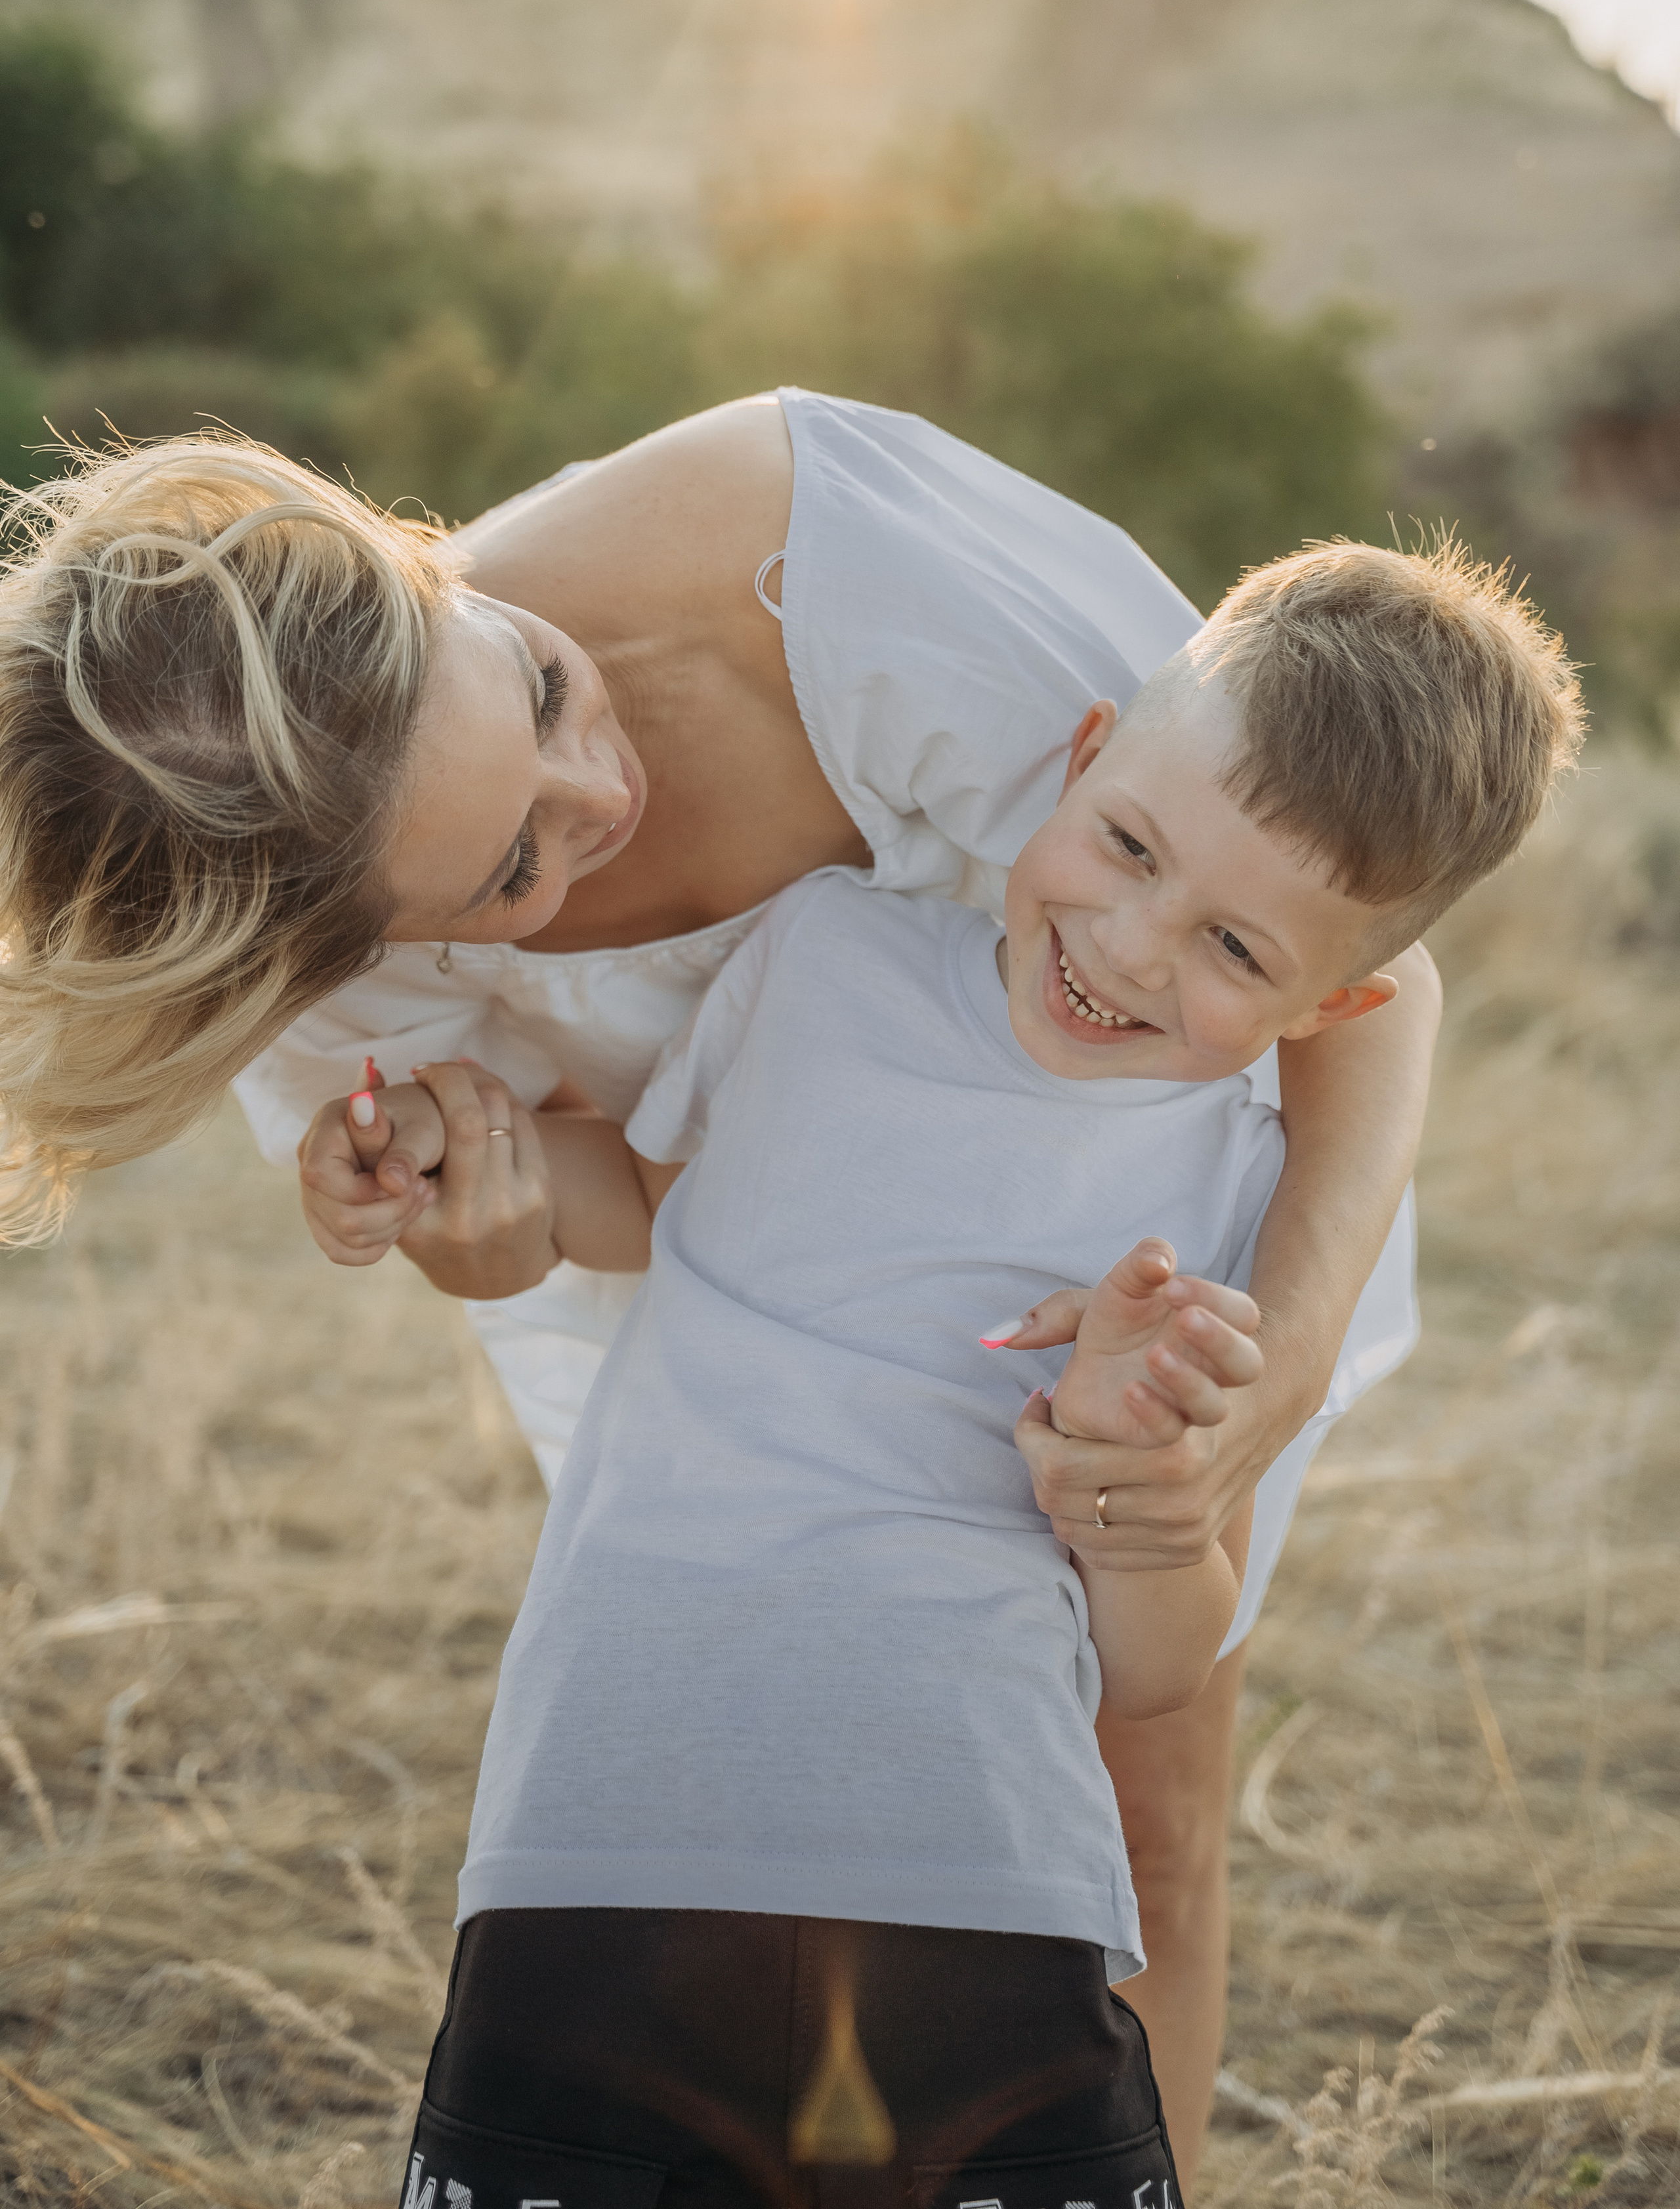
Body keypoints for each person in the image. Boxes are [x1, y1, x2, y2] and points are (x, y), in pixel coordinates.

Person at [0, 393, 1435, 2170]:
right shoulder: (325, 973)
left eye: (532, 686)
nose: (601, 790)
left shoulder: (832, 554)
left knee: (1130, 1827)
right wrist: (481, 1230)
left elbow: (1373, 967)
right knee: (779, 1855)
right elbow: (587, 1207)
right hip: (739, 1334)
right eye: (512, 866)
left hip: (1124, 1270)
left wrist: (1262, 1381)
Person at [391, 539, 1582, 2207]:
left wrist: (1128, 1494)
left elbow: (1156, 1667)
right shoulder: (821, 951)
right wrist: (478, 1189)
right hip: (606, 1831)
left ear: (1342, 1003)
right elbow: (652, 1207)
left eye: (1237, 951)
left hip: (977, 1895)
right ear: (1082, 753)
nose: (1132, 948)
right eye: (1124, 845)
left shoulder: (1235, 1213)